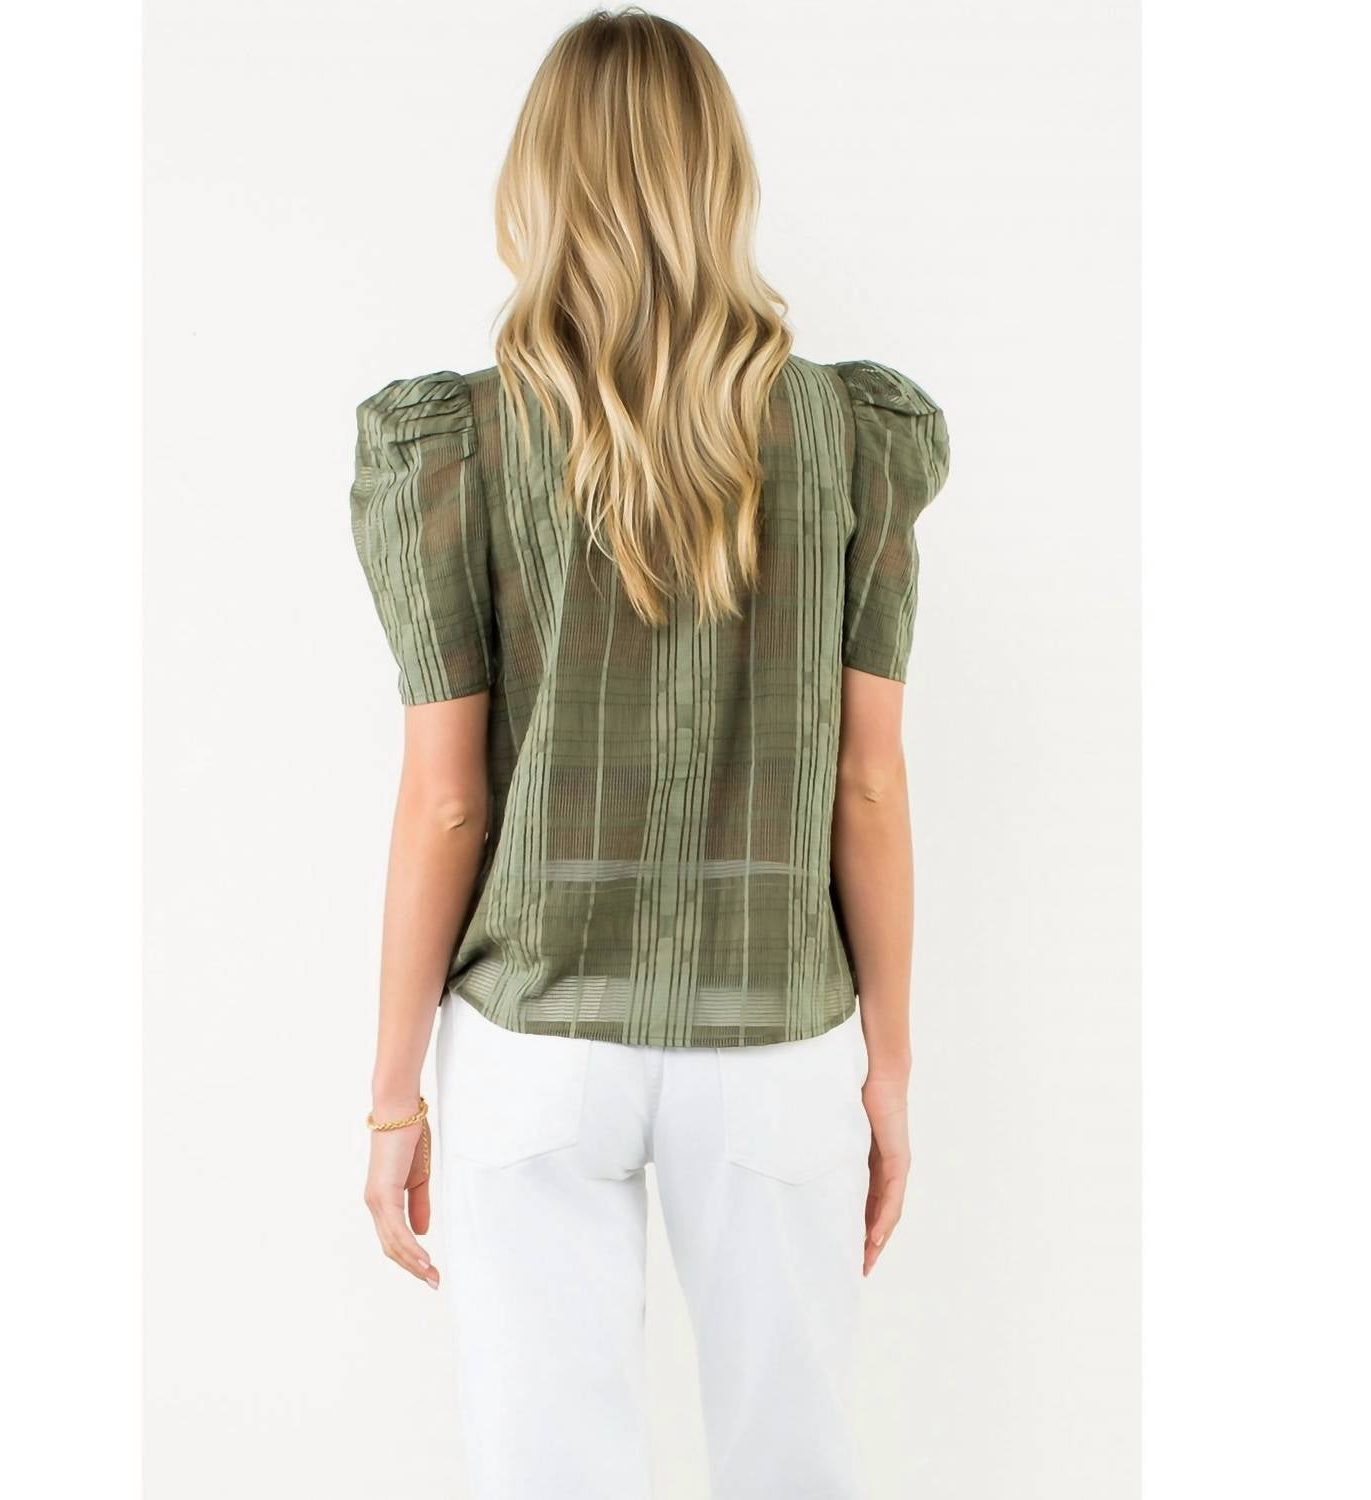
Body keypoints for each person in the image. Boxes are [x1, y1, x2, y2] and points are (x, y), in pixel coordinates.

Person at [349, 10, 949, 1498]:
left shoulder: (457, 449)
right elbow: (870, 780)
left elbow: (444, 802)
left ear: (538, 181)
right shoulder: (850, 436)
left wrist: (392, 1096)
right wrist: (887, 1064)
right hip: (778, 1032)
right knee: (795, 1462)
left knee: (547, 1469)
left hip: (534, 1039)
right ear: (718, 176)